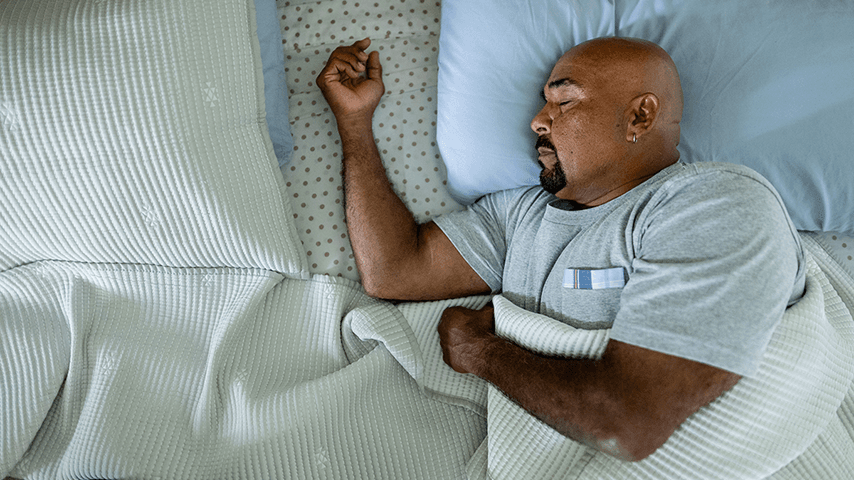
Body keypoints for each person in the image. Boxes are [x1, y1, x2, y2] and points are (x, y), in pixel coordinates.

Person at [316, 36, 805, 462]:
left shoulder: (715, 203)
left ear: (640, 114)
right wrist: (354, 124)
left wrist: (482, 352)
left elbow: (627, 422)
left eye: (564, 102)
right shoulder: (521, 216)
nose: (536, 122)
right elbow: (394, 271)